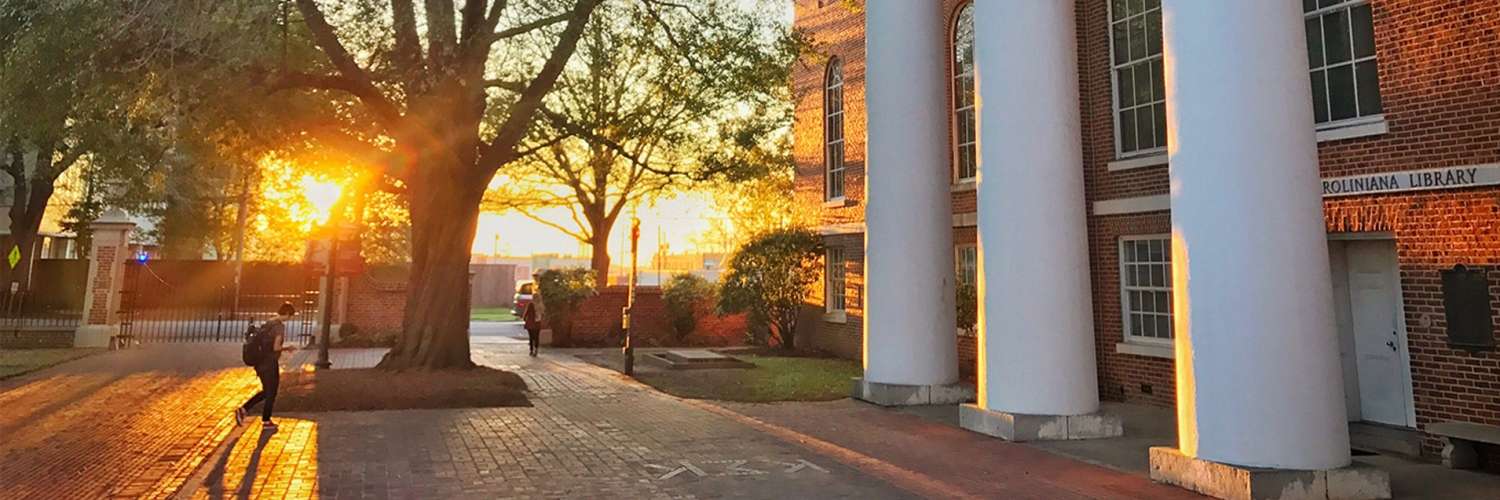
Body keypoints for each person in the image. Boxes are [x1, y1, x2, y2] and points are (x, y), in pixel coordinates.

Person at [236, 302, 297, 429]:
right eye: (290, 316)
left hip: (260, 362)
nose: (290, 319)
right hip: (270, 363)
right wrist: (288, 348)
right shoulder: (279, 327)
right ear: (287, 313)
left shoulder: (269, 322)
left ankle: (244, 409)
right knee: (271, 392)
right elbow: (276, 347)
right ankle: (266, 420)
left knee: (266, 391)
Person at [522, 276, 544, 357]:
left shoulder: (531, 304)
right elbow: (543, 314)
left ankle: (531, 350)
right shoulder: (541, 306)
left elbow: (526, 313)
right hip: (537, 323)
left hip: (531, 323)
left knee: (531, 337)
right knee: (536, 337)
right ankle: (536, 349)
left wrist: (524, 318)